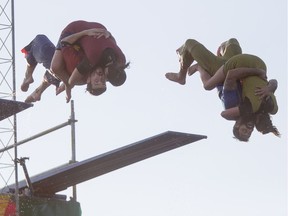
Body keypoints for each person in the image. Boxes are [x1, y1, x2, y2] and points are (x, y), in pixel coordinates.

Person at [196, 53, 279, 141]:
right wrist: (269, 88)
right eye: (250, 132)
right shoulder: (260, 108)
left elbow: (224, 114)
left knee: (207, 86)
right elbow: (274, 82)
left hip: (220, 75)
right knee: (232, 45)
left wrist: (240, 114)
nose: (249, 130)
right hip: (239, 71)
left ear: (237, 125)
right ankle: (221, 53)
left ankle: (198, 67)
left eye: (244, 130)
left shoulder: (236, 107)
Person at [51, 20, 130, 102]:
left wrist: (109, 34)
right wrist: (84, 33)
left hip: (100, 28)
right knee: (55, 67)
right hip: (74, 29)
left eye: (100, 80)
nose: (100, 77)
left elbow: (112, 43)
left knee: (77, 79)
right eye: (103, 79)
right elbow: (64, 42)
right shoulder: (92, 58)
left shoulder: (121, 60)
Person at [165, 38, 242, 85]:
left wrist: (198, 66)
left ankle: (181, 75)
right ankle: (181, 75)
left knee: (189, 43)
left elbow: (207, 85)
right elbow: (207, 85)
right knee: (232, 41)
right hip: (230, 64)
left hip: (223, 67)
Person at [20, 34, 61, 103]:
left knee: (39, 38)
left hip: (53, 57)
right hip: (65, 72)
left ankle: (28, 76)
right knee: (56, 72)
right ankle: (38, 92)